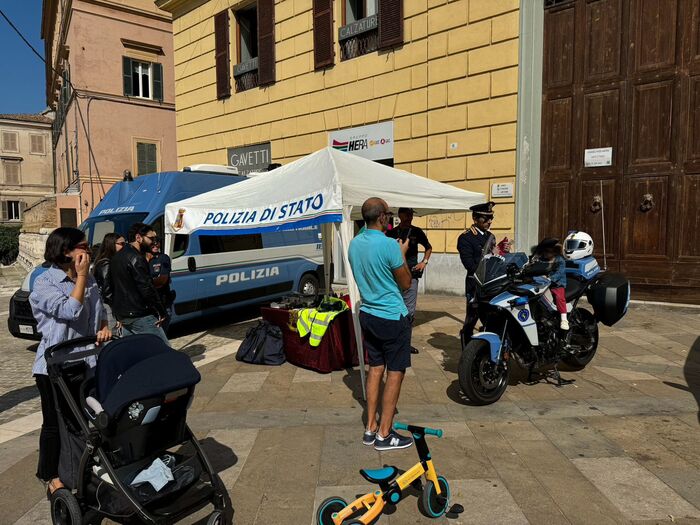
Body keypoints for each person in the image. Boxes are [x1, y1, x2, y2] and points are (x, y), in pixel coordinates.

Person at [29, 227, 112, 497]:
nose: (88, 251)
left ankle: (78, 466)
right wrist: (83, 277)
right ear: (66, 250)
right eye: (83, 246)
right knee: (54, 422)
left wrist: (103, 327)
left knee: (81, 419)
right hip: (54, 366)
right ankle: (49, 474)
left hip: (85, 362)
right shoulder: (44, 283)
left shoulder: (88, 281)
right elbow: (69, 310)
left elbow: (99, 312)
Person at [348, 197, 414, 451]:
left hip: (368, 313)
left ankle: (370, 428)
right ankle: (385, 434)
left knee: (376, 369)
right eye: (389, 214)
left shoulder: (354, 244)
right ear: (382, 218)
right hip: (391, 316)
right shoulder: (388, 246)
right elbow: (406, 283)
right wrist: (402, 254)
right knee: (395, 372)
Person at [110, 223, 169, 342]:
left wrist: (117, 314)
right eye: (151, 238)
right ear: (138, 238)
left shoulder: (117, 257)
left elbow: (110, 288)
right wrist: (161, 311)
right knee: (163, 349)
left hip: (124, 315)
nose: (154, 242)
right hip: (139, 314)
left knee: (134, 351)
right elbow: (147, 288)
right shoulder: (137, 258)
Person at [386, 207, 432, 354]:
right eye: (407, 214)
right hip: (394, 277)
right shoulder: (391, 233)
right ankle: (394, 342)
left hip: (412, 275)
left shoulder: (417, 231)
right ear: (400, 215)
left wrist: (424, 262)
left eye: (411, 214)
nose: (410, 217)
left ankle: (405, 343)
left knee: (409, 312)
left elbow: (428, 247)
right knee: (394, 309)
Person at [457, 202, 496, 336]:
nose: (489, 221)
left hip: (491, 283)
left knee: (490, 317)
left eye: (491, 218)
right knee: (472, 318)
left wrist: (502, 252)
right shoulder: (466, 238)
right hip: (476, 284)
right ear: (475, 218)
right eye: (485, 218)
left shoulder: (490, 236)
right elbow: (469, 264)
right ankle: (466, 345)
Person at [533, 238, 569, 330]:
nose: (545, 254)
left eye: (548, 252)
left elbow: (560, 273)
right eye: (544, 252)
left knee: (559, 297)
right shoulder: (542, 259)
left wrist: (550, 278)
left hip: (557, 284)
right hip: (544, 284)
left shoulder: (559, 260)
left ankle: (564, 319)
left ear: (554, 251)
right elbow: (536, 268)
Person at [92, 232, 126, 327]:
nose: (124, 247)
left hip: (109, 305)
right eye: (121, 244)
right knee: (112, 334)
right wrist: (117, 311)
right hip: (108, 307)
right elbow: (107, 291)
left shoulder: (111, 261)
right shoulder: (106, 263)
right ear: (111, 245)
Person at [146, 238, 174, 332]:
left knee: (162, 333)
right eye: (152, 243)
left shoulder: (163, 258)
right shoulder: (141, 259)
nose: (155, 244)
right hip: (149, 304)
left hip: (163, 301)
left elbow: (162, 280)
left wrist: (147, 283)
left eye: (157, 242)